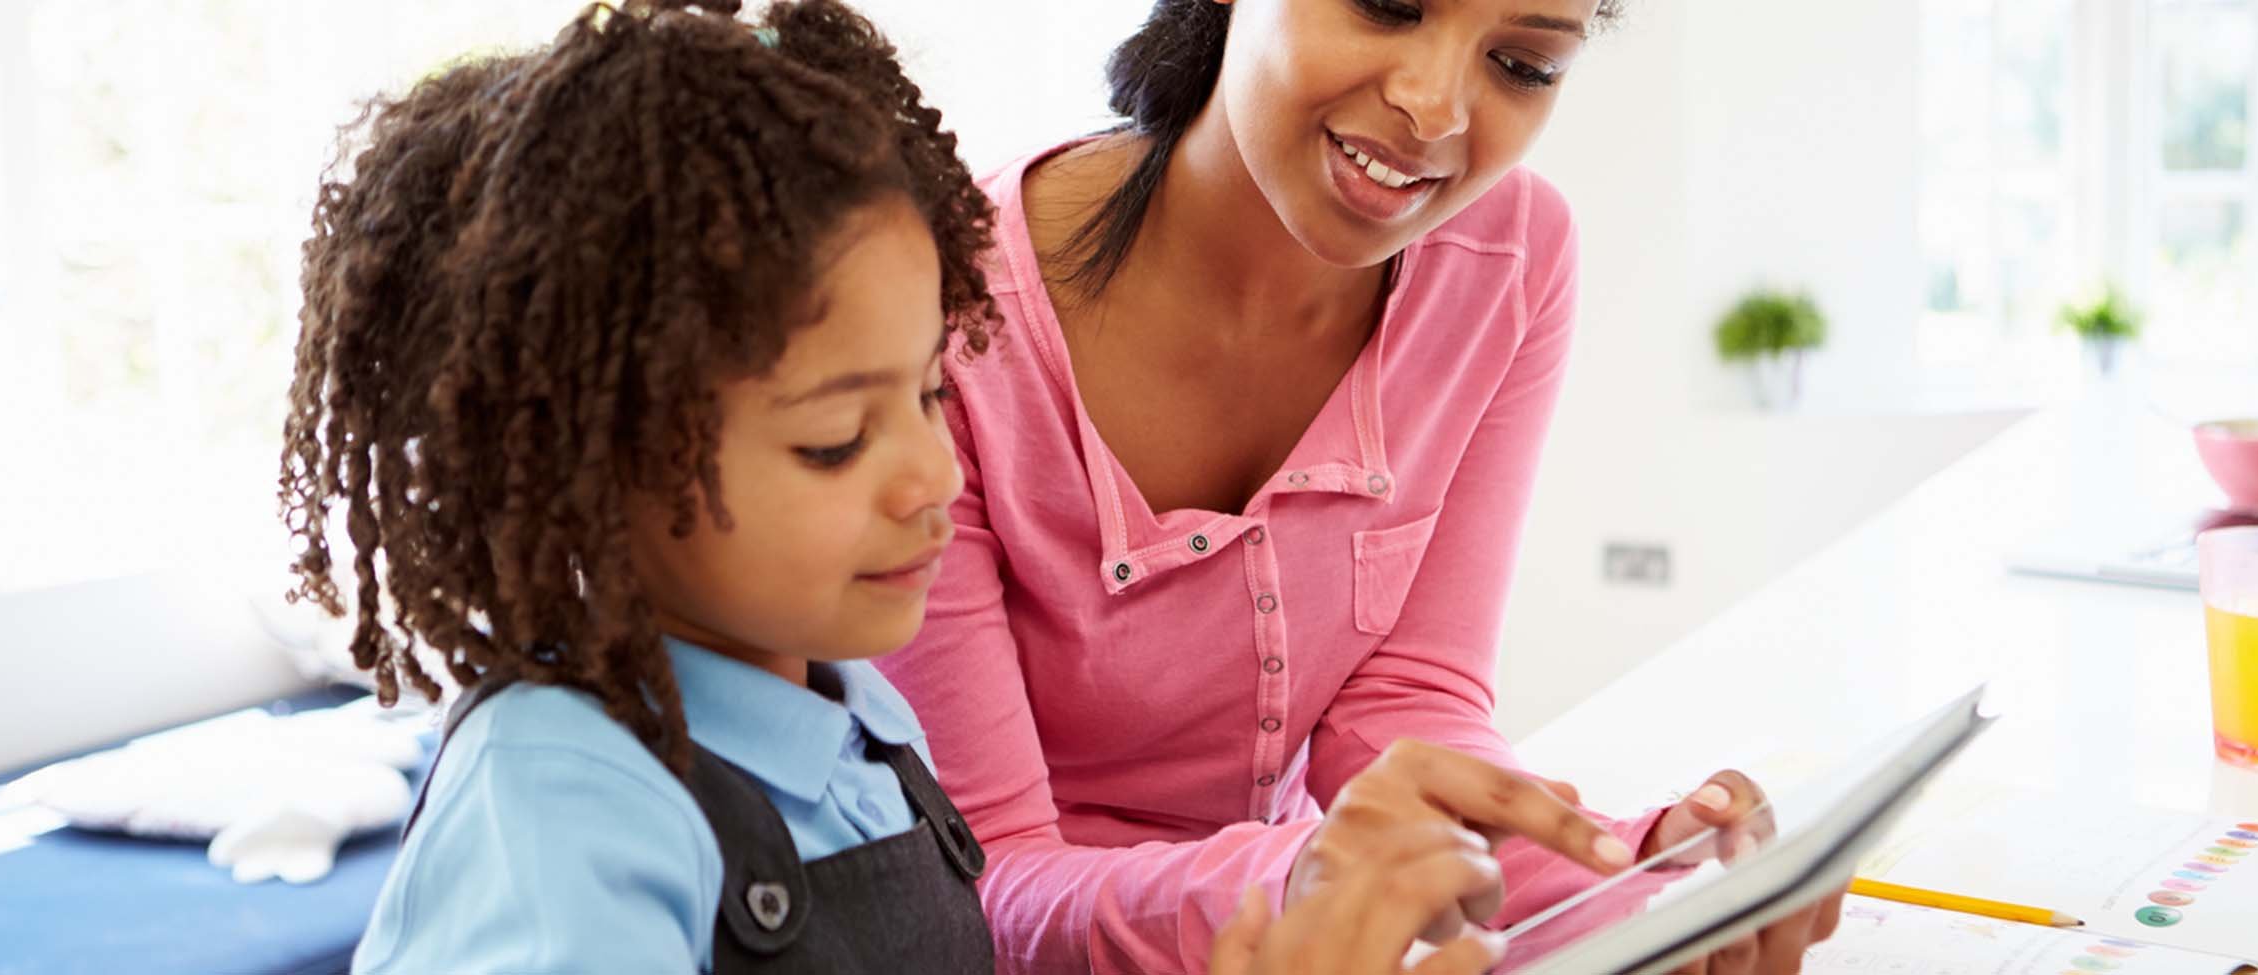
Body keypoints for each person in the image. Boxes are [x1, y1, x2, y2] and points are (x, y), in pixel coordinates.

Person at [278, 2, 1633, 972]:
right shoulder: (559, 806)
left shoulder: (862, 731)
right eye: (833, 440)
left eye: (929, 390)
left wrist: (1621, 880)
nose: (939, 467)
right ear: (575, 459)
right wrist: (1283, 895)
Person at [876, 0, 1846, 971]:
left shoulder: (1509, 260)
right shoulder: (933, 308)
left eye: (1520, 63)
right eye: (1387, 5)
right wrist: (1305, 878)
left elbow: (1403, 699)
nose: (1435, 109)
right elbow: (980, 880)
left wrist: (1628, 878)